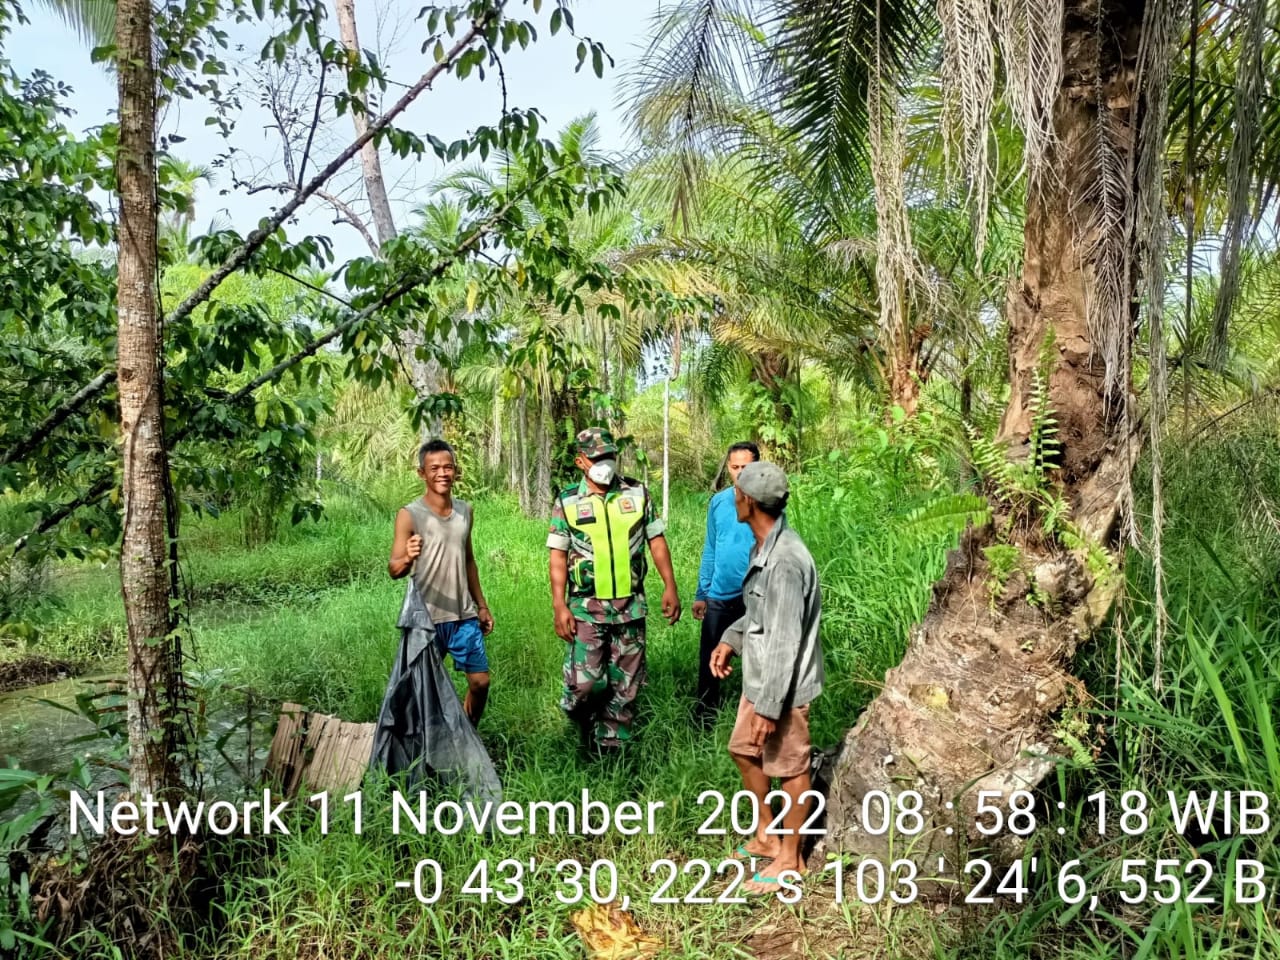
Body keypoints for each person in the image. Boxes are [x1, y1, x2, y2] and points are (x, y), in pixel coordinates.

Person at [710, 461, 822, 894]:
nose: (733, 498)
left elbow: (785, 642)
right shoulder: (764, 547)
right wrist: (731, 639)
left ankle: (791, 859)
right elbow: (759, 615)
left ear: (749, 502)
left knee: (791, 767)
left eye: (737, 492)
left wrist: (770, 708)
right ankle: (766, 834)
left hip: (784, 687)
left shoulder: (786, 562)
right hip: (759, 679)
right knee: (743, 750)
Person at [547, 426, 682, 755]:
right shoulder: (567, 501)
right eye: (597, 458)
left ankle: (612, 749)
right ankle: (580, 724)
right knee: (584, 685)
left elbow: (656, 541)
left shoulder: (636, 493)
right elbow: (557, 556)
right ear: (581, 461)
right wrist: (559, 605)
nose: (606, 463)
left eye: (610, 456)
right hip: (585, 609)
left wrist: (670, 586)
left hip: (630, 607)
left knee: (626, 686)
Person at [388, 439, 494, 726]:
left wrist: (481, 606)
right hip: (426, 618)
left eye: (448, 467)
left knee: (480, 682)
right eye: (434, 468)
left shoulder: (465, 511)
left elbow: (469, 560)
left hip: (463, 616)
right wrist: (407, 558)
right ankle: (418, 744)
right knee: (417, 690)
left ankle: (467, 734)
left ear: (456, 471)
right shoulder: (409, 514)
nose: (442, 473)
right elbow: (394, 568)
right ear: (422, 473)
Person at [692, 441, 760, 721]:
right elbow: (711, 548)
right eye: (735, 467)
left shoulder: (768, 501)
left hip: (757, 593)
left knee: (759, 657)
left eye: (747, 467)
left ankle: (757, 713)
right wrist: (702, 592)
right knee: (710, 656)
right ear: (728, 468)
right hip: (720, 593)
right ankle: (705, 715)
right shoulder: (718, 503)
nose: (741, 472)